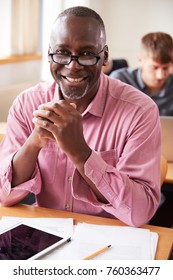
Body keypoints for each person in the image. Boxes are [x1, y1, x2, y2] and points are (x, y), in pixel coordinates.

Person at [0, 6, 161, 227]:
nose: (73, 66)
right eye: (62, 53)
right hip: (44, 234)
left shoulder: (139, 111)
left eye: (86, 54)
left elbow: (140, 213)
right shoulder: (27, 103)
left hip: (111, 240)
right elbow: (4, 195)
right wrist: (34, 142)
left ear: (104, 56)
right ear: (50, 54)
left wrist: (81, 153)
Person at [110, 32, 173, 116]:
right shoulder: (119, 80)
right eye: (154, 68)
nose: (160, 75)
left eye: (166, 68)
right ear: (140, 60)